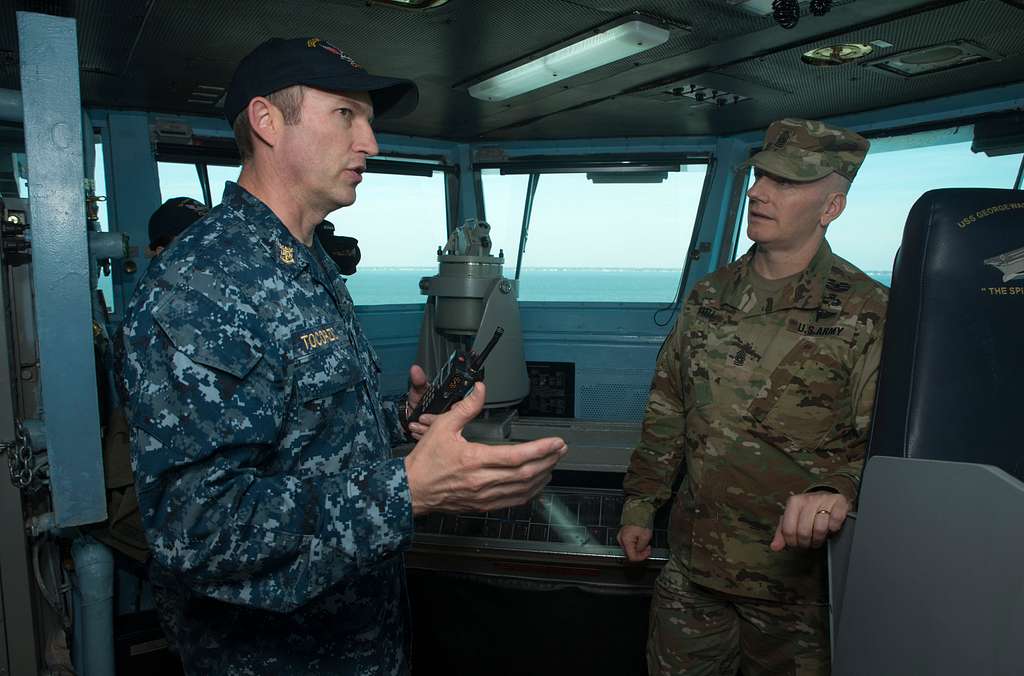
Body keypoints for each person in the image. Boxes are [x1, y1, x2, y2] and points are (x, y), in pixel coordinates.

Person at [118, 37, 566, 675]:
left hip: (362, 633)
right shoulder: (199, 286)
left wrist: (396, 419)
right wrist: (406, 490)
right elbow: (198, 529)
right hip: (272, 655)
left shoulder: (307, 262)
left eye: (370, 122)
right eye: (345, 116)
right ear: (268, 122)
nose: (371, 144)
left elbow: (301, 429)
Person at [617, 119, 888, 675]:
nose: (759, 191)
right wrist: (641, 503)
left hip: (798, 589)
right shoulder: (709, 296)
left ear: (830, 207)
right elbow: (668, 409)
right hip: (693, 569)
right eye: (762, 175)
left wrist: (838, 490)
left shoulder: (868, 310)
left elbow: (883, 444)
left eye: (785, 183)